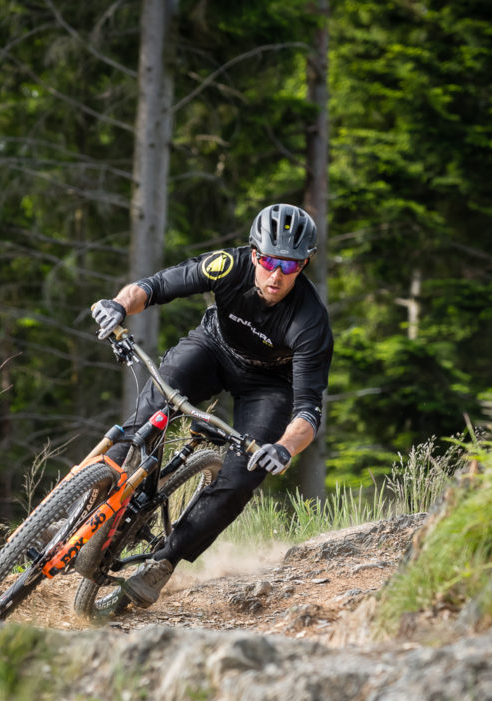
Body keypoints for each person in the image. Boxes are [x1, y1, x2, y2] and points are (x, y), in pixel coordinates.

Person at [89, 203, 333, 608]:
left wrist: (284, 448)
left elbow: (308, 410)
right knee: (153, 404)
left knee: (243, 476)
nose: (276, 275)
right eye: (268, 261)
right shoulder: (228, 266)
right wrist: (118, 305)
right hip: (213, 348)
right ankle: (94, 504)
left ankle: (165, 561)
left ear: (304, 264)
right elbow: (156, 286)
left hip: (268, 385)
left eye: (289, 266)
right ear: (253, 254)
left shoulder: (310, 323)